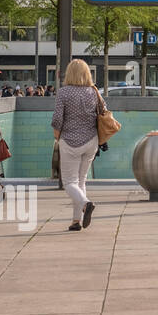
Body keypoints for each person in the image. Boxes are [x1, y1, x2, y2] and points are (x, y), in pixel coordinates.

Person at [52, 60, 103, 231]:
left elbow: (58, 118)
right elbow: (103, 111)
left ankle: (85, 203)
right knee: (81, 180)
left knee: (69, 182)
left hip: (70, 140)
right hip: (91, 140)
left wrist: (57, 136)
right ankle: (76, 221)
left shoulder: (63, 92)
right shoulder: (94, 91)